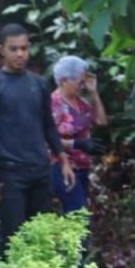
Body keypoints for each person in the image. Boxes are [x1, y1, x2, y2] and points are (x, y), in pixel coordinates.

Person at [0, 24, 73, 256]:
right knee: (12, 236)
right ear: (2, 50)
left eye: (24, 48)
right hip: (11, 172)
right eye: (14, 49)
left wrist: (64, 160)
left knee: (43, 232)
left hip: (40, 168)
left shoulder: (39, 83)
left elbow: (48, 125)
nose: (20, 54)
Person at [50, 55, 108, 213]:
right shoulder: (53, 103)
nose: (82, 86)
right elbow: (47, 139)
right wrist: (77, 144)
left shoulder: (81, 103)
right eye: (79, 82)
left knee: (76, 218)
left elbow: (102, 121)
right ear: (64, 80)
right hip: (63, 166)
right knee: (79, 217)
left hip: (83, 166)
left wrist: (94, 92)